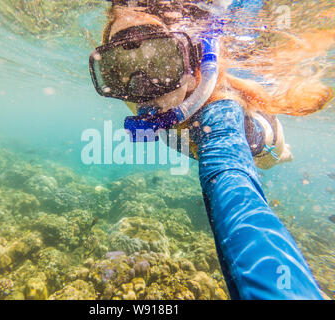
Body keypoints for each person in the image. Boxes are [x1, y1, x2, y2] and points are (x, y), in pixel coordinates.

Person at [89, 0, 333, 299]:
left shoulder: (219, 118)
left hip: (264, 146)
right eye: (121, 68)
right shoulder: (156, 98)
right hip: (200, 128)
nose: (141, 85)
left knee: (276, 156)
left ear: (192, 67)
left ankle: (280, 144)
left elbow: (235, 192)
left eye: (161, 62)